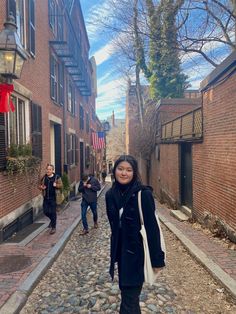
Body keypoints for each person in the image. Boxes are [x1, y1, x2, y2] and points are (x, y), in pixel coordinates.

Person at [105, 155, 165, 314]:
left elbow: (152, 229)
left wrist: (157, 259)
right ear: (115, 170)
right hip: (121, 257)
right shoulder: (110, 195)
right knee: (130, 300)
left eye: (128, 170)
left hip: (137, 256)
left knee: (129, 301)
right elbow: (114, 227)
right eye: (120, 169)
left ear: (134, 172)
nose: (124, 173)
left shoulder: (143, 195)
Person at [39, 164, 63, 235]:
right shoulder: (44, 177)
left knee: (53, 212)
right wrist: (41, 187)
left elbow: (61, 185)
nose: (48, 171)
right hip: (46, 197)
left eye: (49, 169)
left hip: (54, 198)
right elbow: (39, 185)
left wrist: (56, 185)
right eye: (47, 169)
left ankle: (53, 227)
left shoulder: (56, 177)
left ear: (52, 170)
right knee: (45, 212)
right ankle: (52, 220)